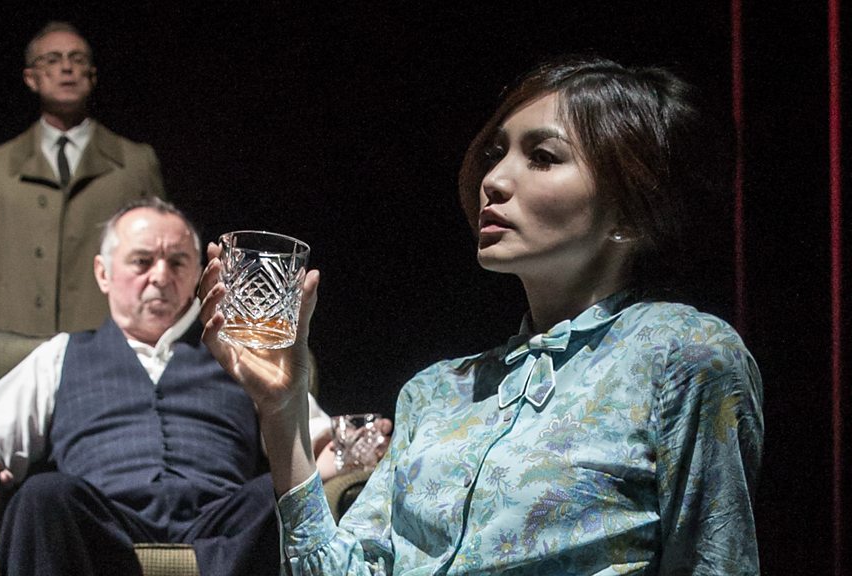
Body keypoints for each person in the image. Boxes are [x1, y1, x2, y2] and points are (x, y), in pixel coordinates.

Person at [198, 55, 764, 575]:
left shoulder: (683, 355)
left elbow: (717, 562)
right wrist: (282, 412)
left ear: (631, 214)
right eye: (496, 154)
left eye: (543, 157)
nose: (493, 180)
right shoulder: (436, 392)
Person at [0, 198, 334, 576]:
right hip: (100, 524)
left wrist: (349, 452)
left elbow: (319, 445)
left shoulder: (239, 354)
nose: (160, 276)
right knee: (43, 494)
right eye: (142, 262)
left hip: (224, 527)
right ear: (103, 273)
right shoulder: (60, 354)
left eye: (177, 262)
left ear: (199, 273)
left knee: (278, 497)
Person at [0, 21, 166, 475]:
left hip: (104, 356)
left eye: (77, 60)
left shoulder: (134, 162)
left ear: (92, 75)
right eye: (52, 60)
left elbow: (162, 254)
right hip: (13, 354)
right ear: (31, 77)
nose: (66, 68)